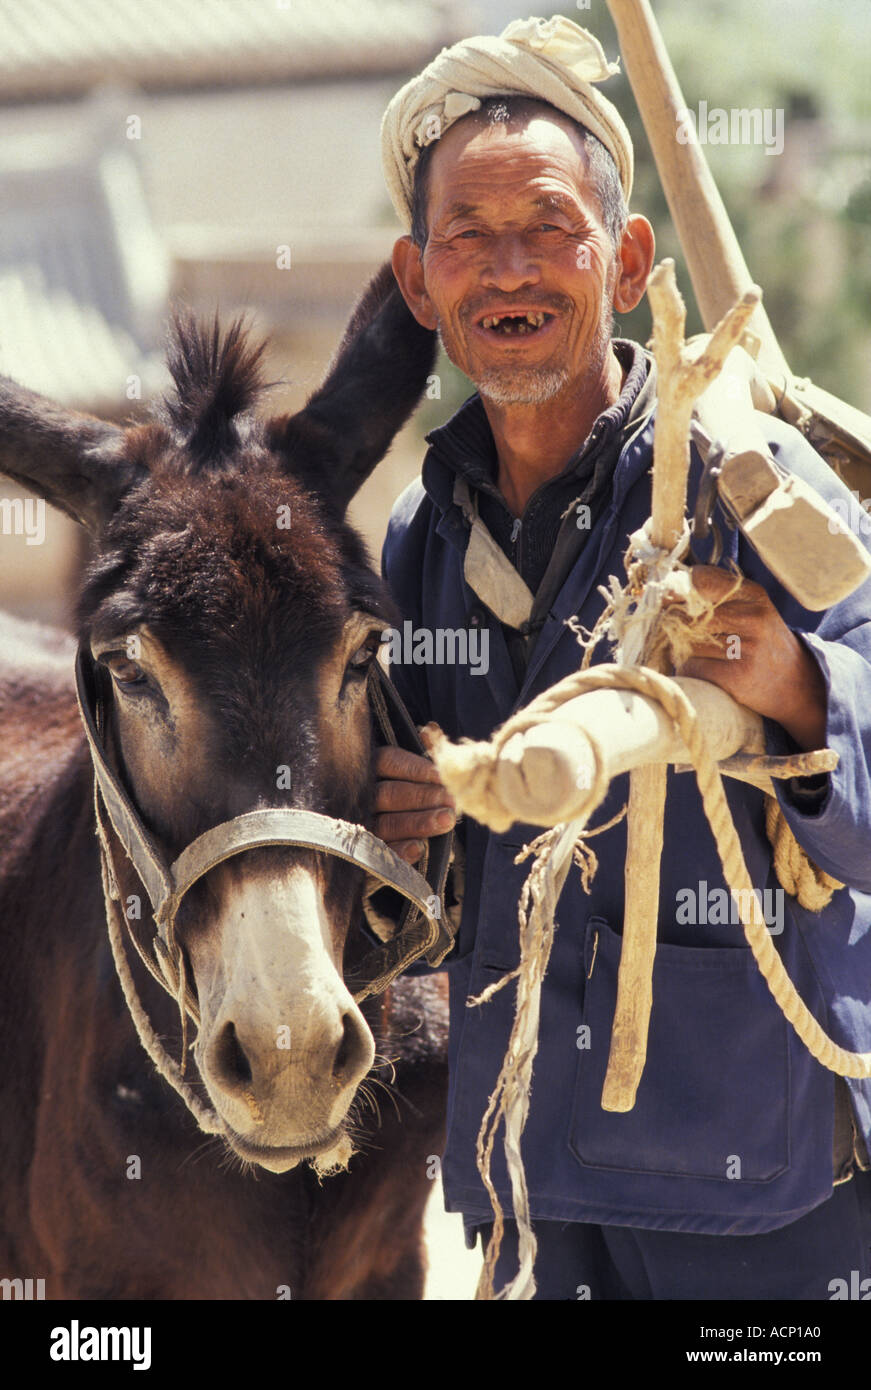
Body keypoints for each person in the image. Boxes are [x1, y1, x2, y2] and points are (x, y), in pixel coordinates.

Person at [372, 16, 871, 1299]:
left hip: (755, 1178)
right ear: (417, 286)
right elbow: (413, 829)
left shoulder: (745, 480)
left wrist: (795, 691)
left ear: (627, 257)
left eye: (547, 225)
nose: (508, 267)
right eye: (466, 238)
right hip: (533, 1170)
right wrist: (418, 818)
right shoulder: (427, 530)